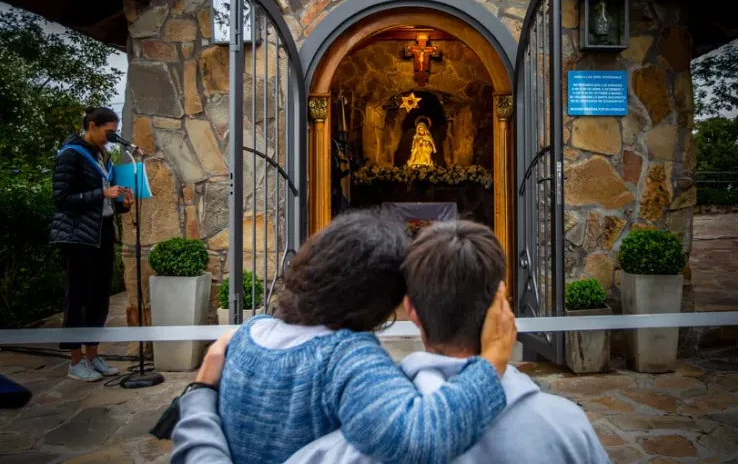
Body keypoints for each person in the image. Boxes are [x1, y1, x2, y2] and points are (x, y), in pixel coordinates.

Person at [171, 221, 610, 464]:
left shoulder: (244, 337)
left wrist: (197, 396)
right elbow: (419, 436)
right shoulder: (350, 359)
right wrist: (494, 358)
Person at [50, 106, 133, 382]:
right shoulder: (71, 155)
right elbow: (62, 198)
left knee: (100, 297)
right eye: (108, 131)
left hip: (102, 232)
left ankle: (92, 355)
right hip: (78, 236)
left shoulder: (103, 155)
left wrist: (121, 204)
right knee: (79, 298)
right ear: (93, 126)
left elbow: (105, 200)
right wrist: (101, 193)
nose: (111, 136)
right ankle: (75, 362)